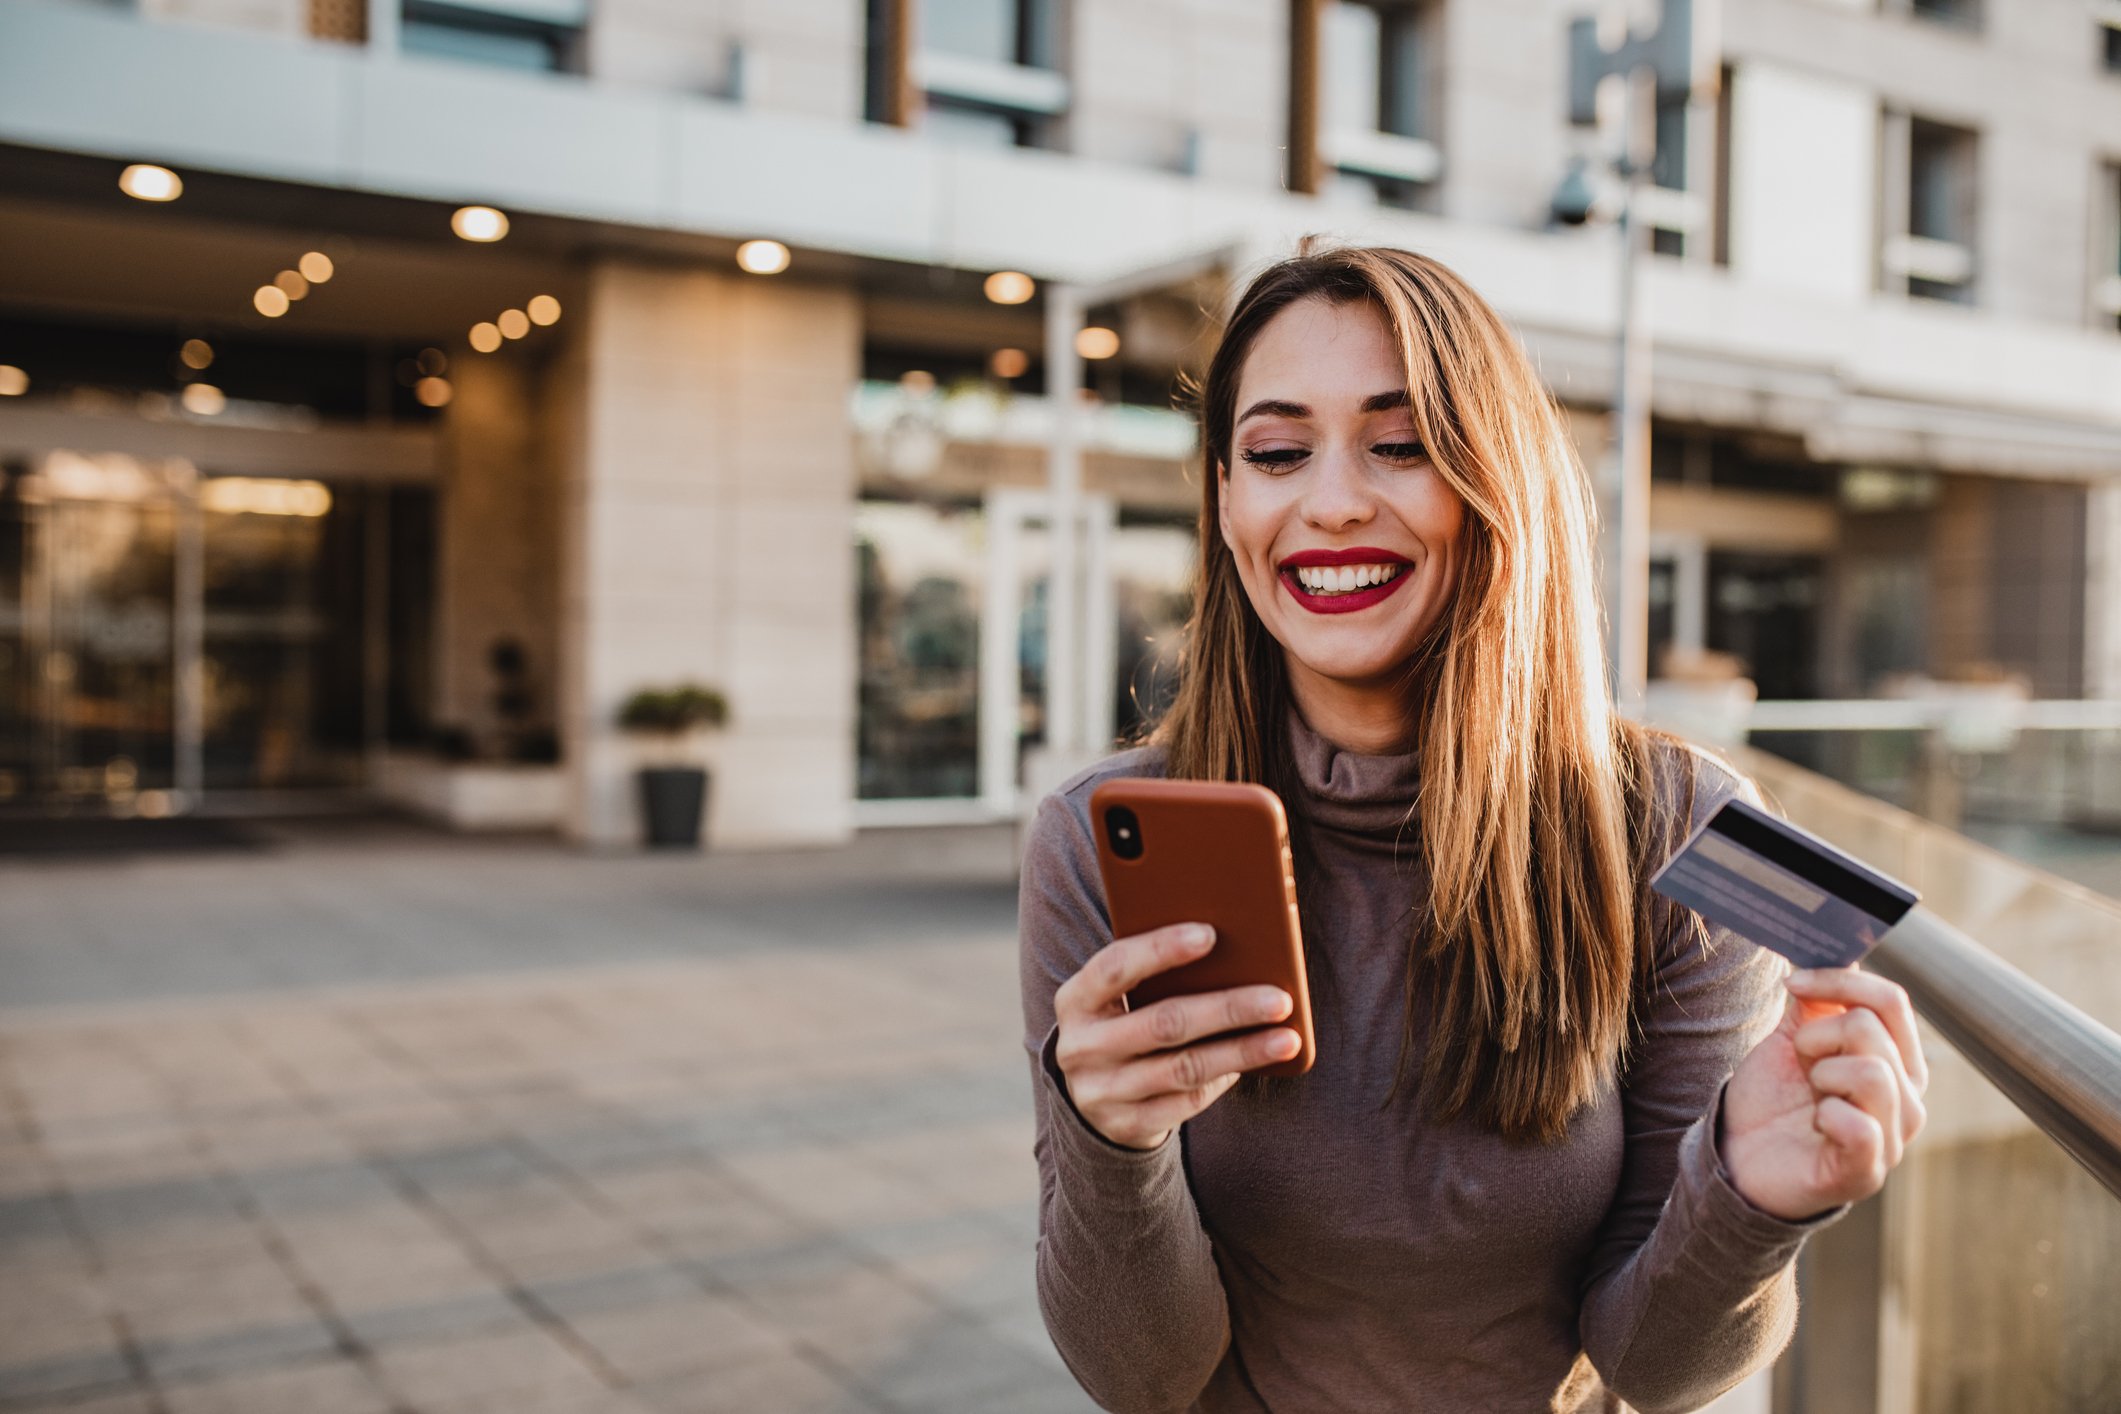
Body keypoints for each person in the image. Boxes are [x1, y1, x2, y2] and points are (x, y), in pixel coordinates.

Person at [1016, 244, 1928, 1414]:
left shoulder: (1678, 827)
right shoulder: (1094, 840)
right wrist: (1110, 1147)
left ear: (1497, 481)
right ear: (1227, 502)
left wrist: (1753, 1199)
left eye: (1399, 445)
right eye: (1277, 452)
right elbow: (1141, 1377)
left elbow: (1659, 1369)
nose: (1331, 500)